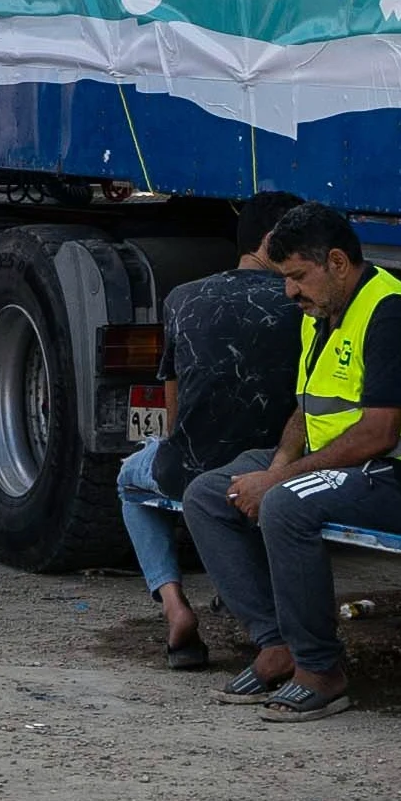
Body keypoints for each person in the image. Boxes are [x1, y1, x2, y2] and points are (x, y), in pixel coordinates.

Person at [181, 206, 401, 719]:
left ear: (337, 262)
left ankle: (321, 671)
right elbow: (306, 407)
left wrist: (278, 481)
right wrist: (277, 463)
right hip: (352, 463)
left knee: (284, 506)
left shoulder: (395, 311)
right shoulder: (323, 311)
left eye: (298, 277)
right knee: (207, 495)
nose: (290, 292)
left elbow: (379, 433)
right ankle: (276, 647)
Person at [111, 194, 310, 669]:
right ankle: (232, 586)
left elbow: (175, 413)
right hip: (273, 462)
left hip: (193, 466)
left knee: (128, 479)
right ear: (271, 242)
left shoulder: (183, 298)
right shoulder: (303, 303)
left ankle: (176, 608)